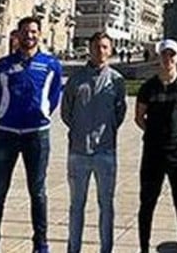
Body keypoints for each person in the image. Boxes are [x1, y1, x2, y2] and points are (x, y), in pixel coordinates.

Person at [0, 17, 63, 253]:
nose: (30, 36)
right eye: (25, 31)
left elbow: (55, 93)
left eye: (34, 31)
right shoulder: (3, 64)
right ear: (17, 34)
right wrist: (5, 112)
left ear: (40, 34)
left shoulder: (51, 64)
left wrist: (43, 112)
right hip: (6, 133)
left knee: (37, 191)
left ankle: (40, 243)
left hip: (37, 134)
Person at [61, 32, 127, 253]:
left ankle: (106, 249)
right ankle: (74, 249)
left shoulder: (117, 81)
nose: (100, 51)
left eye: (105, 47)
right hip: (78, 152)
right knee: (76, 207)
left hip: (105, 152)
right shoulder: (76, 79)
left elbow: (120, 112)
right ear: (89, 49)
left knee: (106, 206)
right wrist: (81, 131)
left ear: (110, 50)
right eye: (97, 46)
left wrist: (104, 132)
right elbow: (66, 112)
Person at [135, 39, 177, 253]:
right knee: (147, 202)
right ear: (158, 57)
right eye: (164, 55)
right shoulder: (148, 87)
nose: (167, 59)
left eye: (171, 55)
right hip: (153, 153)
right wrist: (154, 134)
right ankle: (144, 248)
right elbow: (139, 117)